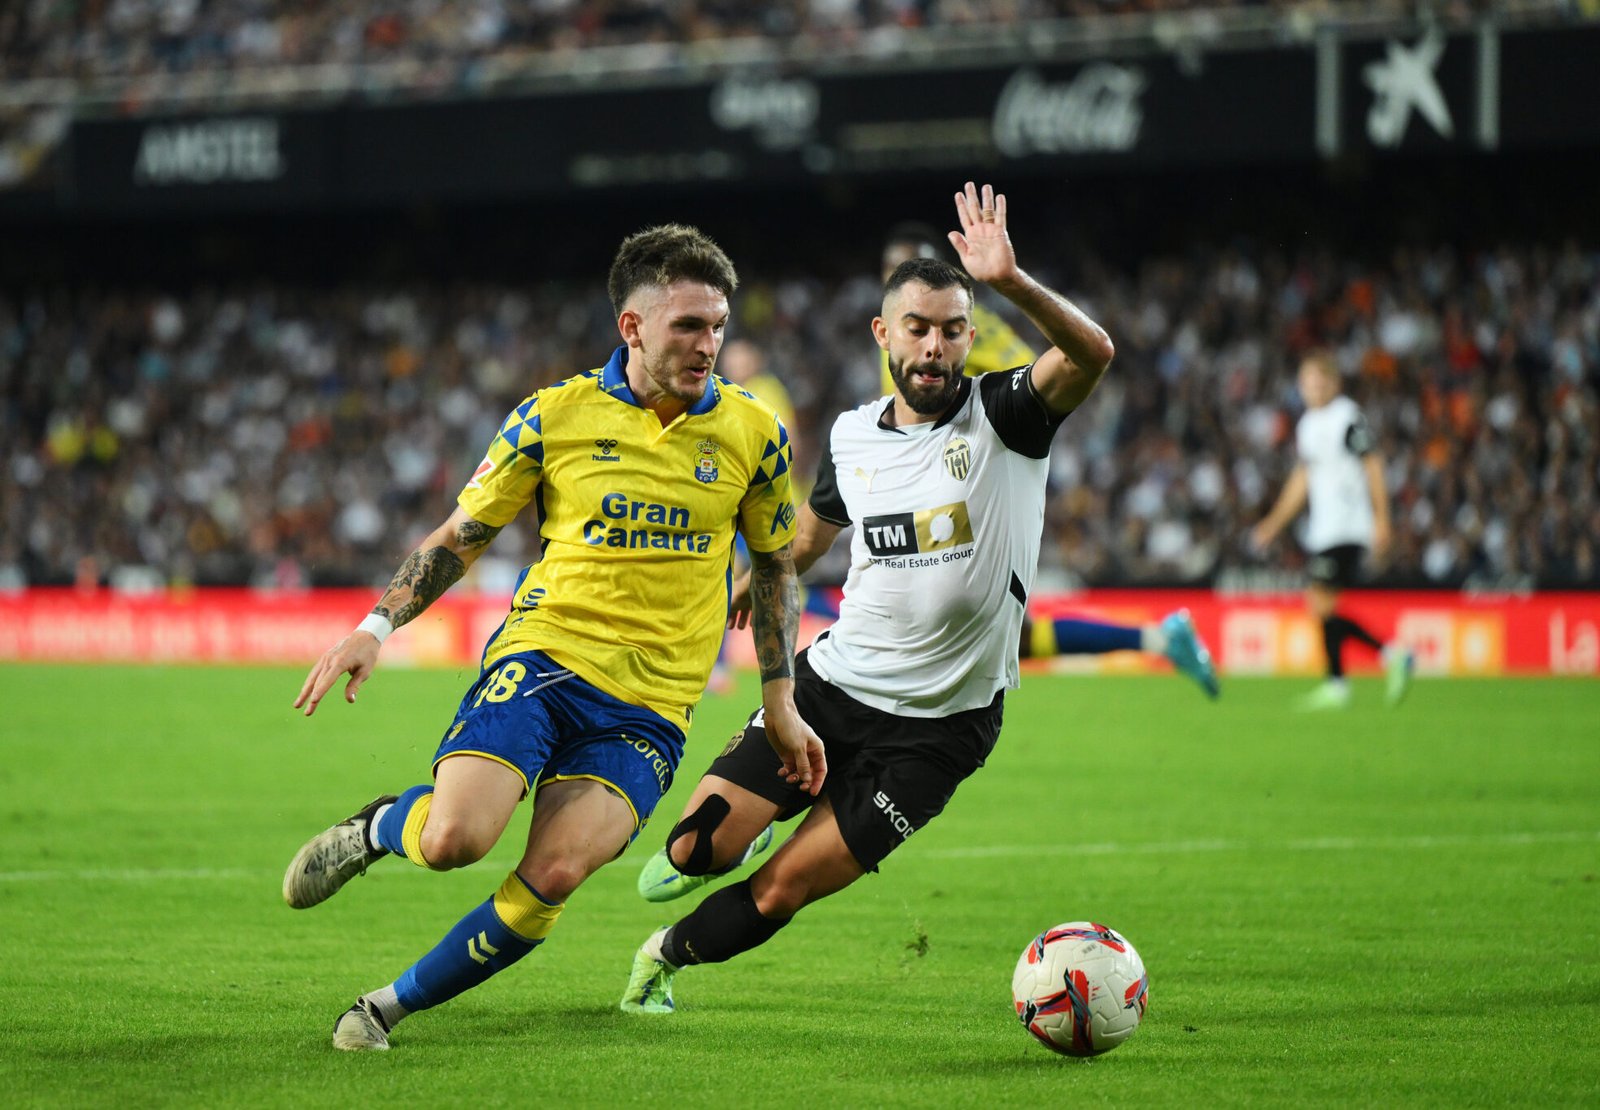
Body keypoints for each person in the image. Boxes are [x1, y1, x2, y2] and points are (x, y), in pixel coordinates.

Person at [281, 223, 824, 1051]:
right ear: (632, 327)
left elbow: (778, 566)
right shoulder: (553, 416)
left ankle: (384, 1008)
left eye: (718, 324)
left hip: (652, 706)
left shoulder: (755, 434)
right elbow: (463, 536)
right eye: (686, 325)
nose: (707, 343)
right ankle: (380, 828)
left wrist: (778, 701)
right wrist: (375, 624)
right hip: (545, 661)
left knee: (555, 878)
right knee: (456, 839)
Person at [618, 182, 1116, 1013]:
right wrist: (756, 577)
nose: (935, 349)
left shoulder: (1007, 417)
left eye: (952, 331)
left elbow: (1094, 352)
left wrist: (1012, 283)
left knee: (782, 889)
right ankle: (763, 815)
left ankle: (660, 961)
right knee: (694, 848)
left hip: (940, 734)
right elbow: (809, 536)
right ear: (884, 334)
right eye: (917, 329)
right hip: (832, 688)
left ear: (967, 339)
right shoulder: (852, 437)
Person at [883, 224, 1220, 698]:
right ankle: (1160, 637)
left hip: (974, 483)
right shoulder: (895, 340)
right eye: (894, 269)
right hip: (926, 487)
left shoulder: (963, 336)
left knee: (973, 624)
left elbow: (1035, 378)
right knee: (1013, 637)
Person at [1251, 349, 1415, 709]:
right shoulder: (1308, 425)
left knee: (1319, 601)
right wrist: (1275, 523)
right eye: (1308, 382)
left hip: (1348, 525)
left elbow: (1373, 463)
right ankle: (1346, 679)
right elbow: (1302, 479)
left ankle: (1378, 662)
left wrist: (1382, 519)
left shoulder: (1347, 417)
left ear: (1334, 383)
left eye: (1321, 381)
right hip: (1323, 528)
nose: (1315, 387)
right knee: (1321, 604)